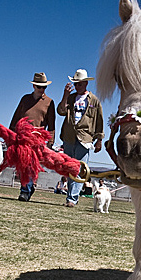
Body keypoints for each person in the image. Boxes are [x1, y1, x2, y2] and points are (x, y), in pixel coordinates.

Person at [57, 68, 104, 207]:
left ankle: (72, 199)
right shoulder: (71, 98)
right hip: (69, 137)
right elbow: (61, 111)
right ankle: (70, 197)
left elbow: (99, 121)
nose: (77, 86)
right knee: (69, 168)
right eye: (75, 84)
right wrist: (65, 95)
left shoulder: (94, 101)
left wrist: (99, 139)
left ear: (85, 84)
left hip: (85, 138)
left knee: (80, 169)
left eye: (79, 84)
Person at [9, 72, 56, 201]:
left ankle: (25, 190)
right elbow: (16, 117)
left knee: (30, 163)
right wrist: (10, 134)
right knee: (23, 164)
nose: (42, 90)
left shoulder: (49, 103)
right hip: (23, 136)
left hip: (38, 138)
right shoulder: (25, 99)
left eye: (44, 87)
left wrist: (51, 141)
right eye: (40, 87)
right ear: (34, 86)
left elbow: (51, 124)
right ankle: (29, 187)